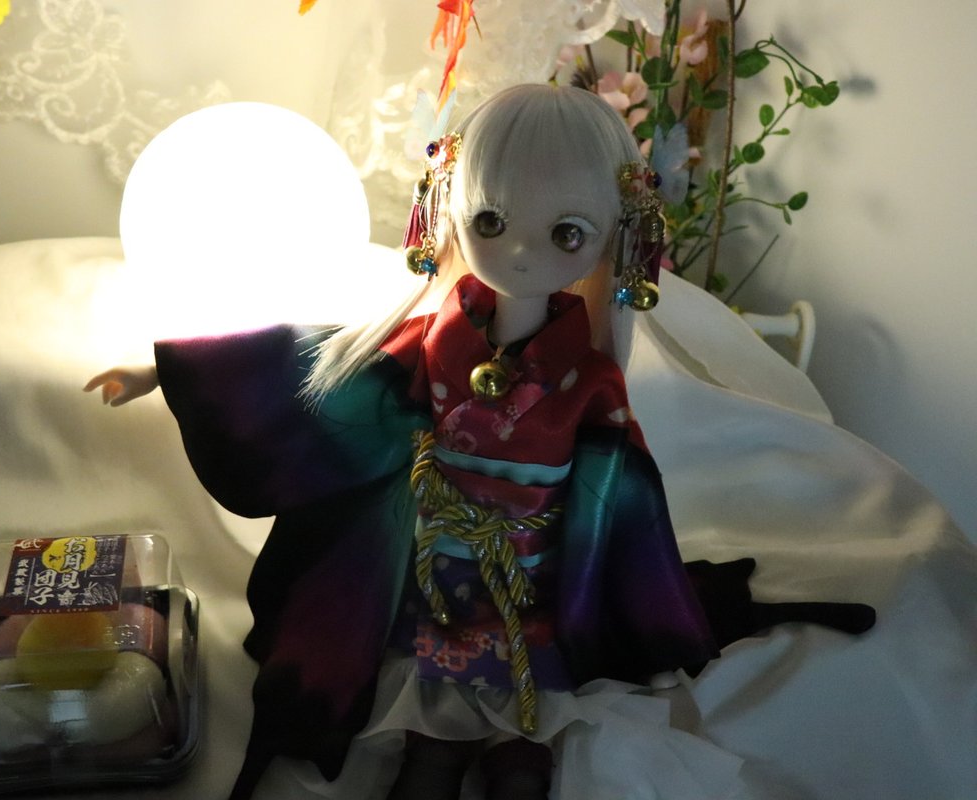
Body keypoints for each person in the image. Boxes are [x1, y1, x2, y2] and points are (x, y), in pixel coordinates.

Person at [87, 84, 871, 800]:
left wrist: (627, 584)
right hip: (431, 579)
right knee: (426, 761)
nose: (522, 253)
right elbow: (321, 381)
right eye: (491, 222)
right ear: (449, 209)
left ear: (615, 237)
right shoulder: (432, 342)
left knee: (522, 764)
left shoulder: (590, 378)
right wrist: (171, 370)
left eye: (567, 233)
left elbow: (618, 499)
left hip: (533, 584)